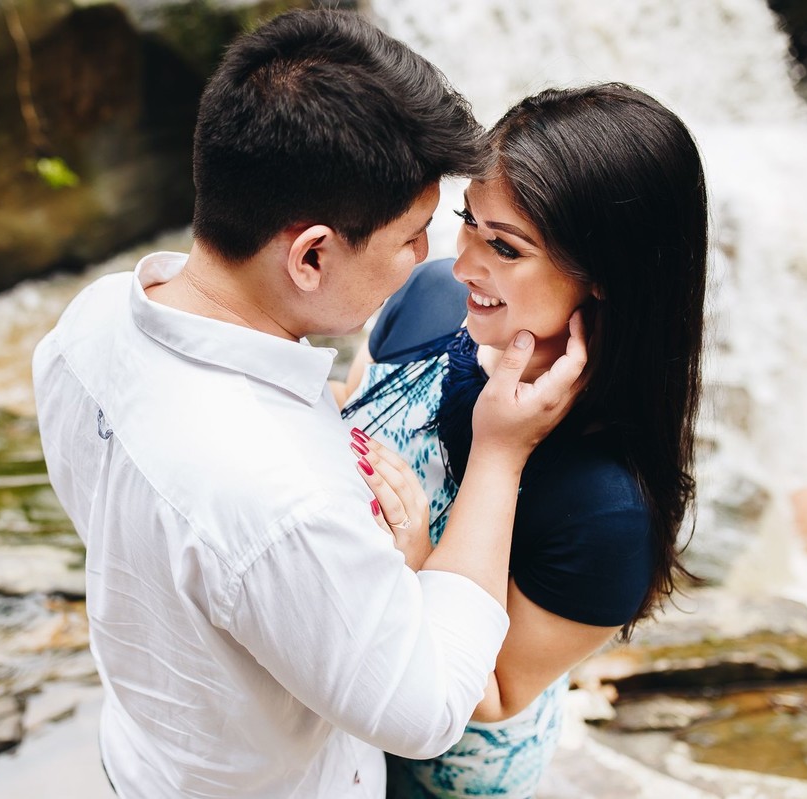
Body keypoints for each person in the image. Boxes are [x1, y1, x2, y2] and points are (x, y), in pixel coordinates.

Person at [32, 10, 587, 798]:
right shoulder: (285, 497)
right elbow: (427, 707)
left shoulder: (88, 321)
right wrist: (500, 453)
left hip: (145, 756)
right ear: (313, 253)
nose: (435, 261)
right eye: (413, 235)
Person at [339, 83, 709, 798]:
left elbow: (495, 689)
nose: (462, 263)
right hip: (325, 714)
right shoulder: (430, 302)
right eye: (467, 221)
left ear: (604, 273)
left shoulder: (606, 506)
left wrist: (416, 559)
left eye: (504, 246)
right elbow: (357, 405)